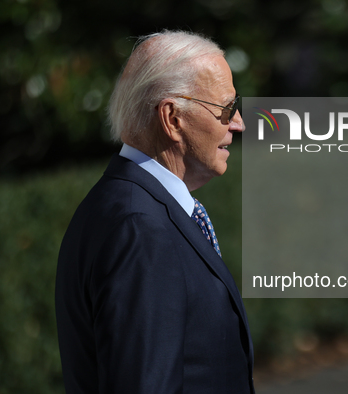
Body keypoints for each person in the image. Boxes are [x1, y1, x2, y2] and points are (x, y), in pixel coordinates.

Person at [55, 30, 254, 393]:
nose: (238, 122)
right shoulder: (140, 229)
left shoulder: (126, 207)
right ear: (173, 118)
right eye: (226, 108)